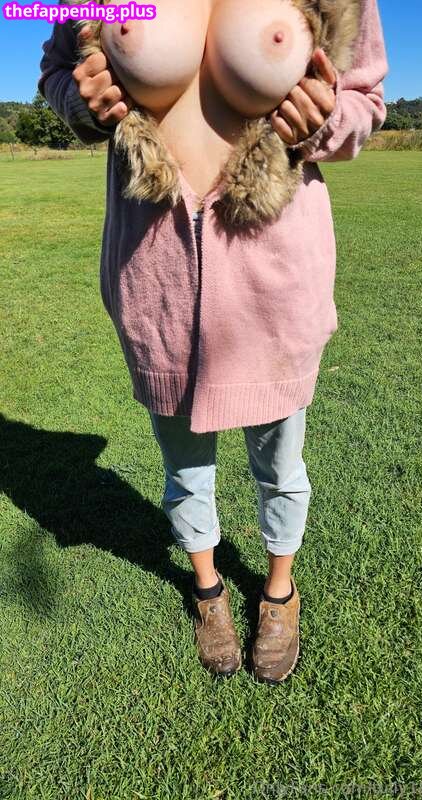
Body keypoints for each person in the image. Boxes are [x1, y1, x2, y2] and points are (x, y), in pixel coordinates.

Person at [38, 0, 389, 684]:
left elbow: (364, 101)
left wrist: (324, 120)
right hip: (155, 278)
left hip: (274, 279)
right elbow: (56, 73)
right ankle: (208, 589)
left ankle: (279, 592)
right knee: (185, 468)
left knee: (280, 465)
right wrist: (81, 100)